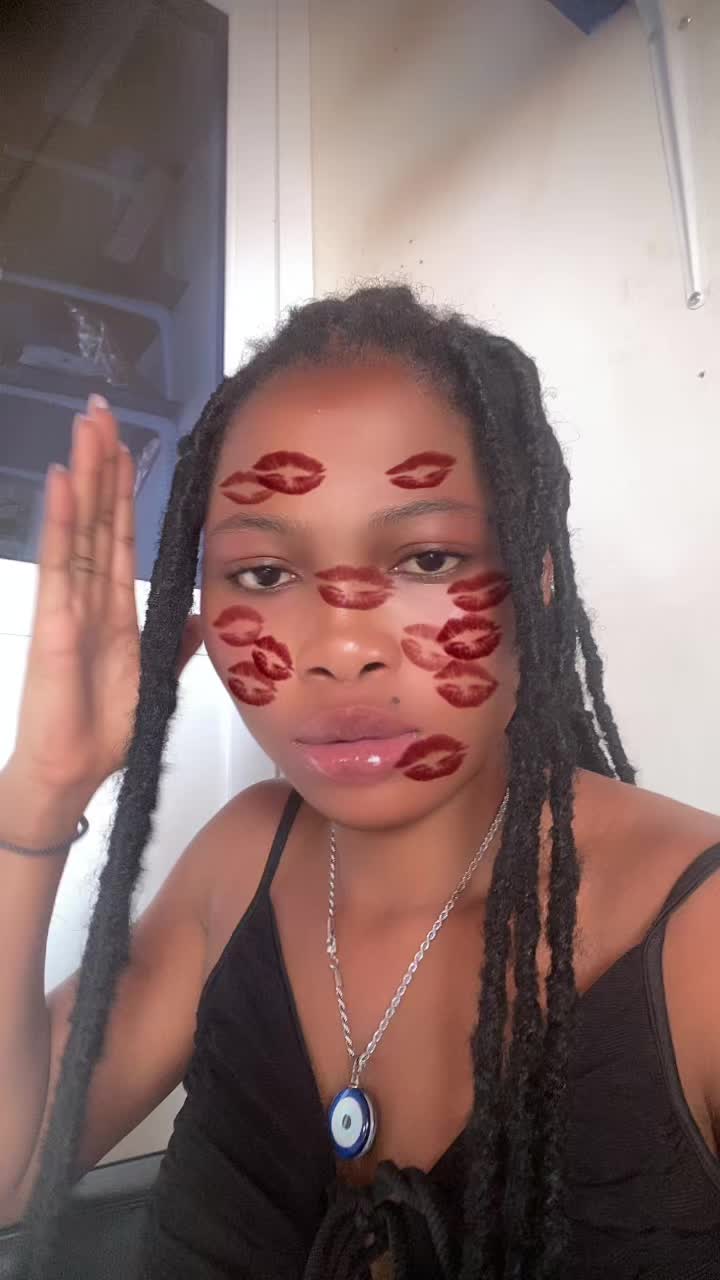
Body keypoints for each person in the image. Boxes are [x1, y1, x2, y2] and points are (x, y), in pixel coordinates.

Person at [1, 286, 719, 1280]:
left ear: (539, 579)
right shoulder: (240, 860)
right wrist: (40, 789)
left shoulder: (701, 945)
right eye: (264, 574)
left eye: (428, 557)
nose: (340, 648)